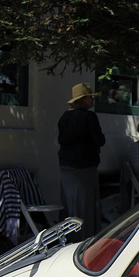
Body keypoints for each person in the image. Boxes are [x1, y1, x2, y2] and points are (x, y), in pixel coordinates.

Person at [57, 82, 105, 239]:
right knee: (86, 205)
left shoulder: (64, 117)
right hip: (85, 166)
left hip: (66, 166)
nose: (92, 100)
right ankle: (84, 238)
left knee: (69, 203)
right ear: (83, 99)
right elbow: (99, 139)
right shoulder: (89, 117)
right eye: (90, 97)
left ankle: (68, 236)